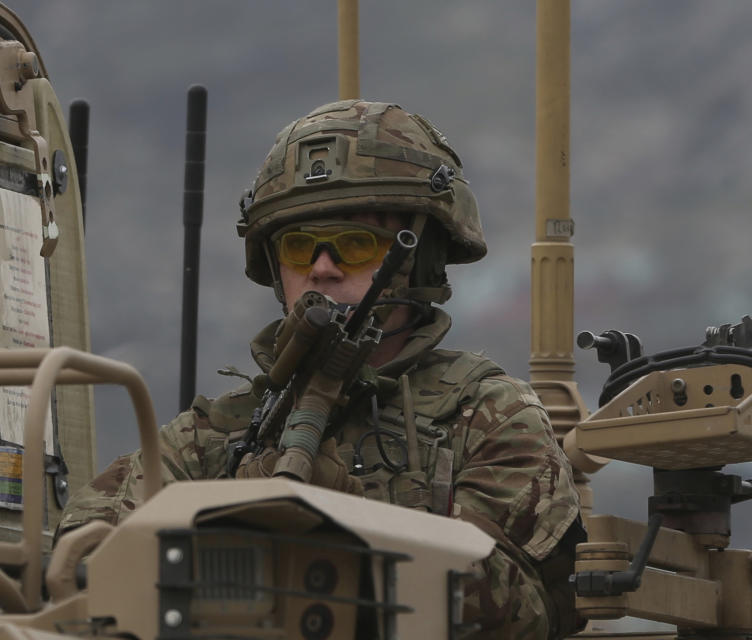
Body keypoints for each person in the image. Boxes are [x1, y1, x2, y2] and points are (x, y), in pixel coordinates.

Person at [58, 100, 584, 638]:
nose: (322, 268)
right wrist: (227, 513)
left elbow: (515, 609)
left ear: (419, 261)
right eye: (299, 247)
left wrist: (343, 520)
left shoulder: (488, 414)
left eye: (356, 246)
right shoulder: (210, 436)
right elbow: (78, 566)